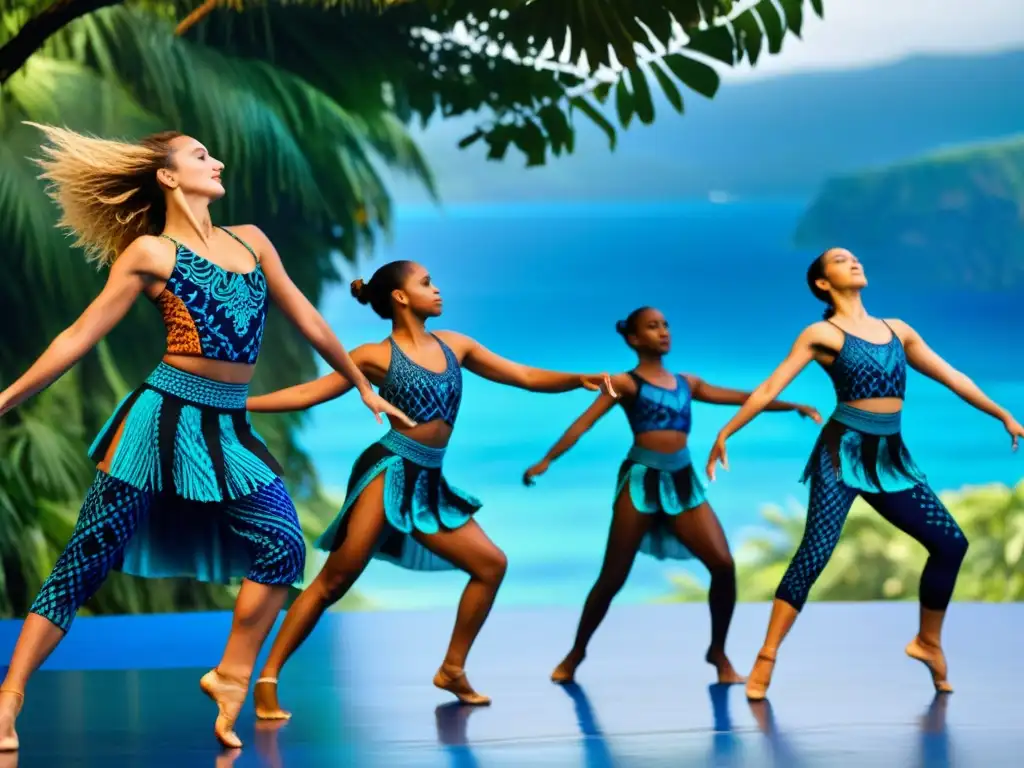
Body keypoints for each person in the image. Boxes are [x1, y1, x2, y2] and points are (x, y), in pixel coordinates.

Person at [0, 125, 411, 751]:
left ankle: (231, 676)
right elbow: (77, 338)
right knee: (87, 560)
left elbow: (307, 317)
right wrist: (4, 400)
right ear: (167, 176)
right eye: (199, 156)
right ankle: (9, 698)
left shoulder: (250, 242)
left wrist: (361, 384)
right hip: (160, 419)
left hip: (227, 423)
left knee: (281, 546)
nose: (216, 161)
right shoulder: (150, 255)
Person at [246, 260, 617, 716]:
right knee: (335, 580)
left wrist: (576, 380)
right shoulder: (372, 356)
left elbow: (521, 375)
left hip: (429, 479)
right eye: (426, 284)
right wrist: (239, 402)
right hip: (389, 470)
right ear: (400, 298)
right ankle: (266, 678)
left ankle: (452, 669)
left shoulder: (455, 346)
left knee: (490, 565)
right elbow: (307, 394)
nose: (437, 290)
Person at [706, 247, 1023, 700]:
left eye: (855, 258)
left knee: (951, 543)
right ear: (822, 282)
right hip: (842, 453)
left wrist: (1002, 414)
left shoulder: (898, 330)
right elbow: (773, 385)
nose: (854, 261)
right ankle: (767, 655)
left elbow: (953, 376)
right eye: (840, 260)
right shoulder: (822, 333)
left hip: (891, 457)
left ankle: (928, 642)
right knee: (814, 554)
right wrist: (726, 431)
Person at [523, 306, 821, 684]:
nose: (663, 331)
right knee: (612, 577)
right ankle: (576, 653)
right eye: (652, 327)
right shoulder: (625, 383)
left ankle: (718, 652)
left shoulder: (687, 383)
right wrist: (547, 459)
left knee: (723, 566)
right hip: (642, 481)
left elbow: (741, 397)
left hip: (683, 481)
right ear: (633, 339)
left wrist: (789, 405)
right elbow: (584, 422)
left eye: (665, 325)